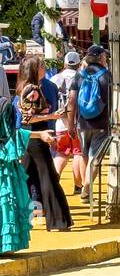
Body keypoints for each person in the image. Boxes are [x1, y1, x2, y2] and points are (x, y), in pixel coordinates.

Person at [13, 52, 72, 232]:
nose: (44, 69)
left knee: (23, 177)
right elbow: (27, 119)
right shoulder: (33, 90)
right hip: (36, 138)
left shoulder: (26, 87)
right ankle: (58, 220)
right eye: (41, 66)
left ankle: (19, 216)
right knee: (48, 177)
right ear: (34, 69)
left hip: (30, 138)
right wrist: (52, 115)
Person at [76, 44, 112, 204]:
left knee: (85, 155)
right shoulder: (107, 75)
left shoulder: (80, 75)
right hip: (101, 123)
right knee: (95, 158)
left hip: (82, 122)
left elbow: (71, 100)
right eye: (105, 56)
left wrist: (70, 123)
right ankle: (87, 188)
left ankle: (86, 189)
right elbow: (113, 100)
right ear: (100, 57)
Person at [0, 97, 33, 254]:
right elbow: (11, 133)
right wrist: (39, 135)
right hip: (4, 159)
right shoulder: (5, 105)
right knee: (8, 200)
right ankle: (7, 244)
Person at [50, 50, 84, 194]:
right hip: (78, 122)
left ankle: (54, 181)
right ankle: (78, 186)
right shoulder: (82, 78)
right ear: (78, 64)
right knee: (78, 153)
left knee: (61, 153)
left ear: (64, 63)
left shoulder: (55, 78)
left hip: (59, 122)